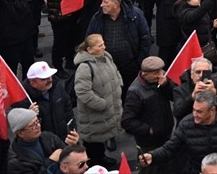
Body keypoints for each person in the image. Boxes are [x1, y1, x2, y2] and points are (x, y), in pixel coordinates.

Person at [139, 90, 217, 174]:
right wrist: (153, 156)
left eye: (199, 111)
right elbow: (170, 148)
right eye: (193, 110)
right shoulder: (186, 124)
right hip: (197, 170)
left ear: (212, 110)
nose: (195, 114)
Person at [86, 0, 152, 94]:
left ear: (116, 4)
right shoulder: (97, 18)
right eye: (102, 1)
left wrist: (138, 62)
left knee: (130, 95)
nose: (101, 5)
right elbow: (89, 39)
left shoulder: (135, 15)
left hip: (130, 66)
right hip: (106, 66)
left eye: (105, 2)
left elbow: (145, 39)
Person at [72, 33, 124, 167]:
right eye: (100, 45)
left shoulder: (106, 56)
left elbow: (115, 71)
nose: (104, 47)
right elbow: (82, 92)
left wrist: (119, 84)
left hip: (105, 111)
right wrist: (102, 104)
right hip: (94, 114)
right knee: (93, 143)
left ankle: (101, 158)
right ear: (89, 50)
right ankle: (94, 164)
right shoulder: (84, 67)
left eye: (103, 43)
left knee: (101, 138)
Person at [121, 55, 173, 156]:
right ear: (145, 74)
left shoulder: (161, 80)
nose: (161, 75)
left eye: (161, 71)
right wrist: (149, 130)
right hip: (149, 144)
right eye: (156, 73)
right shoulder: (135, 92)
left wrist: (166, 86)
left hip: (167, 136)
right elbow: (127, 121)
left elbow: (174, 97)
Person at [6, 107, 81, 174]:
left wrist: (73, 146)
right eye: (32, 126)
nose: (38, 126)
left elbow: (71, 159)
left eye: (37, 121)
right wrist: (51, 162)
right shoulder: (15, 161)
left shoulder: (49, 137)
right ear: (20, 133)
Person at [17, 61, 75, 142]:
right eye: (44, 79)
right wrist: (29, 116)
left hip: (64, 140)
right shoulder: (23, 99)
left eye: (50, 76)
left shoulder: (57, 86)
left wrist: (72, 131)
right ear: (33, 83)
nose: (50, 80)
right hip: (44, 145)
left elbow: (68, 109)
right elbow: (21, 131)